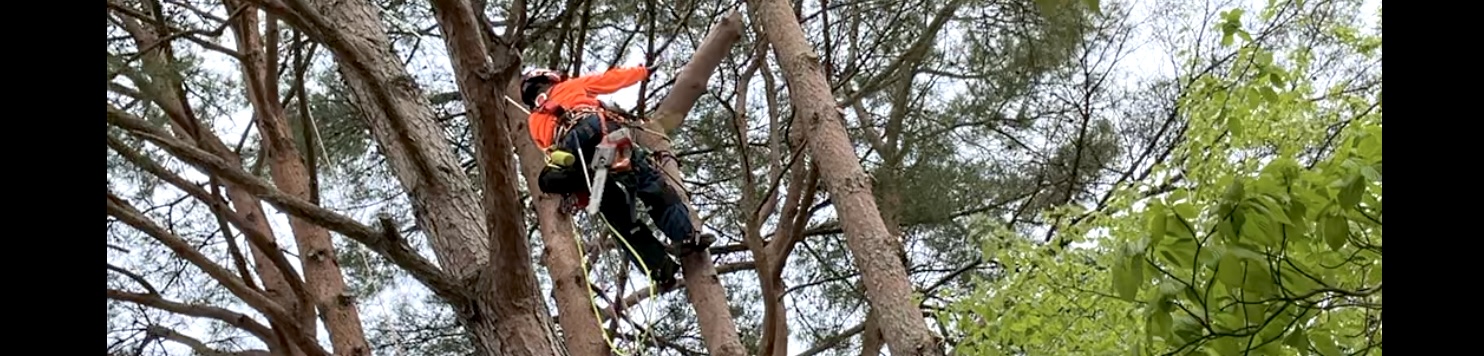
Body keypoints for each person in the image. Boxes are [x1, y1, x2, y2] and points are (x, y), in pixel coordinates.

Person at [521, 66, 710, 287]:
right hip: (598, 130)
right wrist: (643, 72)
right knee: (647, 183)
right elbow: (610, 80)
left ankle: (659, 268)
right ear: (548, 79)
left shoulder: (534, 122)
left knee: (617, 216)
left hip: (576, 159)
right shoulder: (570, 86)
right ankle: (685, 235)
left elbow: (550, 151)